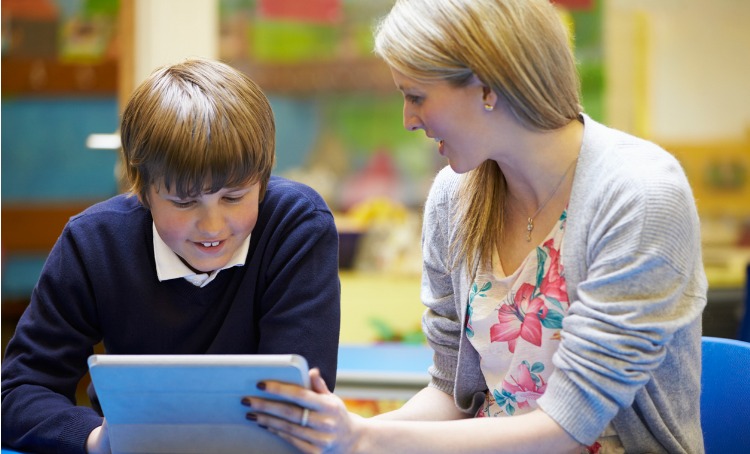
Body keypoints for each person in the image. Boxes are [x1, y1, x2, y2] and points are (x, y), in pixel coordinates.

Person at [243, 0, 707, 453]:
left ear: (487, 88)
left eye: (416, 96)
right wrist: (340, 436)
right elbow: (451, 392)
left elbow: (568, 424)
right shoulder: (453, 197)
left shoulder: (640, 196)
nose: (407, 120)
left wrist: (366, 438)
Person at [1, 58, 341, 453]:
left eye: (234, 197)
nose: (213, 226)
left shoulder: (297, 227)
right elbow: (19, 390)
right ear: (143, 191)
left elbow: (293, 402)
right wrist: (96, 439)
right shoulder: (94, 243)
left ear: (263, 181)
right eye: (183, 202)